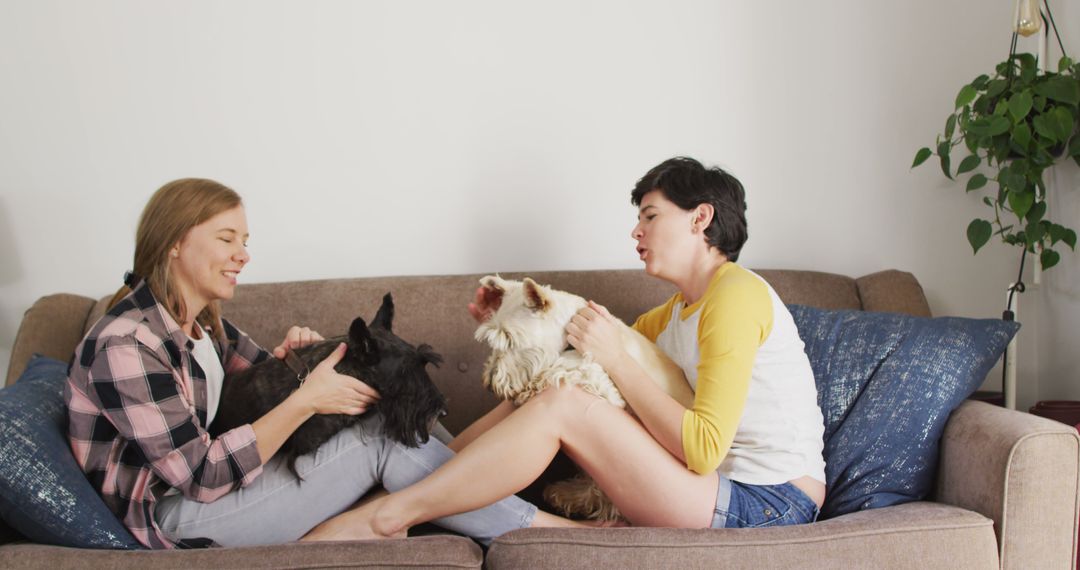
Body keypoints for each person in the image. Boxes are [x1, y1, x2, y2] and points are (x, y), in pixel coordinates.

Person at [303, 156, 827, 539]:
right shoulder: (671, 316)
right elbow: (573, 338)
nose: (636, 230)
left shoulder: (735, 294)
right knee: (552, 386)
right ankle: (413, 483)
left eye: (650, 215)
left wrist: (618, 357)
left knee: (564, 404)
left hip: (770, 503)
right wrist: (508, 308)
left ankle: (391, 513)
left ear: (701, 218)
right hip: (712, 491)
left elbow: (704, 448)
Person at [63, 178, 583, 549]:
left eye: (245, 241)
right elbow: (201, 475)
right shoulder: (127, 344)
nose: (243, 254)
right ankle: (553, 536)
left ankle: (496, 494)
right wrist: (308, 397)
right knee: (381, 439)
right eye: (226, 239)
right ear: (174, 242)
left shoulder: (206, 329)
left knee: (390, 415)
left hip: (226, 491)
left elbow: (270, 385)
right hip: (175, 520)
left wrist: (297, 361)